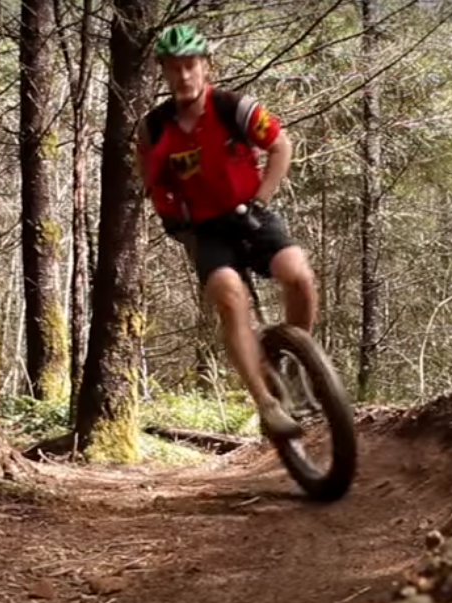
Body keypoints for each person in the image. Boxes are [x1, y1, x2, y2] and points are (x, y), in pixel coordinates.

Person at [137, 23, 319, 441]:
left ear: (205, 67)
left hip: (249, 212)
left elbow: (280, 144)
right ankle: (267, 405)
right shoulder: (155, 128)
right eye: (173, 68)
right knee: (229, 296)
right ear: (164, 72)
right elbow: (153, 181)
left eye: (190, 66)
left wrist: (262, 198)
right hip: (206, 229)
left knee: (299, 274)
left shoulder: (234, 107)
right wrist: (172, 217)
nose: (183, 76)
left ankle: (294, 361)